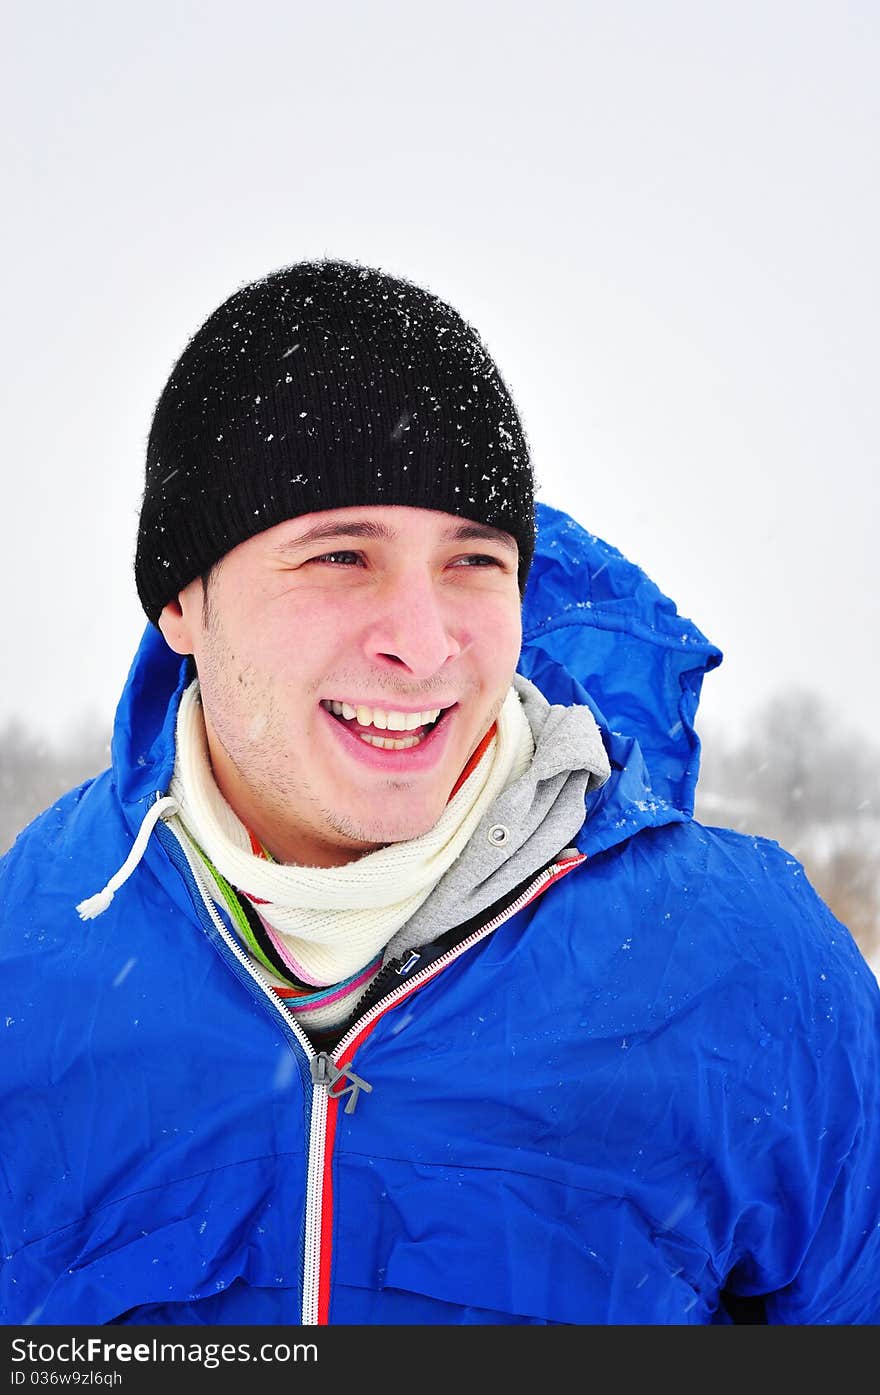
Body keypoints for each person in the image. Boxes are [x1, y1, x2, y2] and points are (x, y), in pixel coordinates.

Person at [2, 259, 879, 1329]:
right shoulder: (29, 954)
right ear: (182, 602)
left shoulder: (747, 968)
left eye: (473, 561)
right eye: (338, 555)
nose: (422, 645)